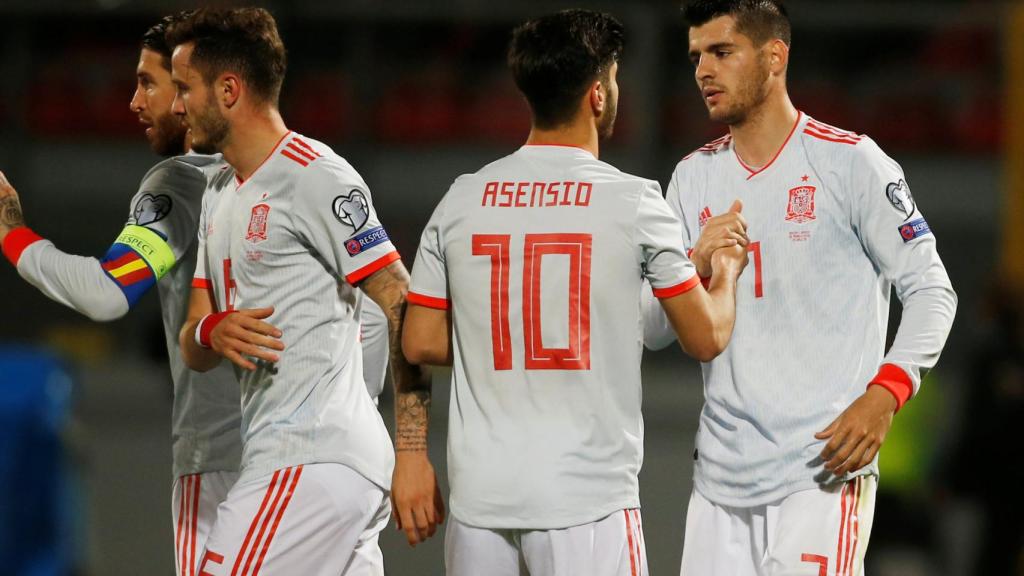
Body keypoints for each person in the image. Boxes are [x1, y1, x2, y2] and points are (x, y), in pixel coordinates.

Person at [397, 10, 747, 575]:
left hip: (480, 503)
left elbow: (420, 342)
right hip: (587, 503)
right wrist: (723, 267)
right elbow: (705, 337)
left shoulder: (461, 200)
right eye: (613, 77)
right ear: (597, 95)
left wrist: (496, 335)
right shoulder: (634, 202)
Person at [642, 2, 957, 574]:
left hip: (821, 472)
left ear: (774, 57)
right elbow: (651, 326)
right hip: (718, 482)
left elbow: (934, 289)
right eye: (695, 57)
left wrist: (886, 393)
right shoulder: (691, 178)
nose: (702, 72)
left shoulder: (851, 163)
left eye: (721, 52)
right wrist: (693, 262)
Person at [168, 8, 425, 575]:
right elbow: (193, 339)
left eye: (184, 87)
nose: (175, 105)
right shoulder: (217, 192)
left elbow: (401, 303)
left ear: (229, 90)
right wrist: (213, 329)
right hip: (300, 460)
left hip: (310, 457)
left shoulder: (317, 177)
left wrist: (412, 453)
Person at [0, 14, 242, 575]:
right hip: (321, 466)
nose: (135, 101)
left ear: (188, 95)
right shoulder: (305, 175)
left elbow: (108, 293)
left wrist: (12, 235)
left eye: (149, 82)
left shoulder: (181, 183)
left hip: (222, 463)